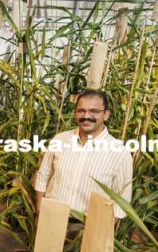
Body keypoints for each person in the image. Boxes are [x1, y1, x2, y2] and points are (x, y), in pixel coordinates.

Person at [34, 90, 133, 221]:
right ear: (75, 113)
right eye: (81, 111)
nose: (86, 116)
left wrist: (99, 232)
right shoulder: (60, 140)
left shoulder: (120, 153)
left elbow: (122, 199)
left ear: (106, 114)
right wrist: (40, 213)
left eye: (94, 111)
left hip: (87, 226)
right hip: (51, 218)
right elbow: (43, 176)